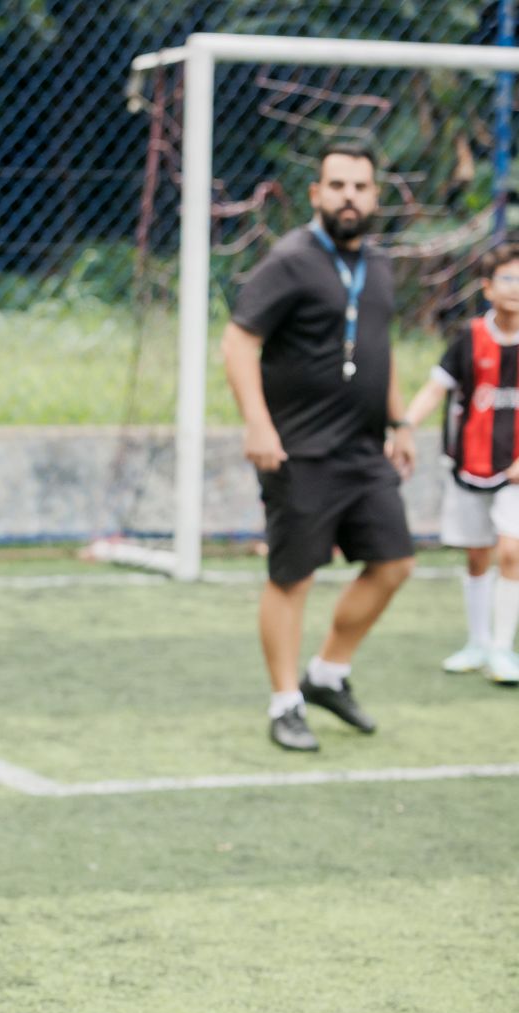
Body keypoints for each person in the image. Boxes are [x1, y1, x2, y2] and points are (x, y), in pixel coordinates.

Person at [222, 144, 416, 752]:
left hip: (364, 449)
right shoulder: (290, 261)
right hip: (297, 450)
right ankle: (286, 702)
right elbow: (237, 343)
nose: (349, 197)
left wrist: (401, 421)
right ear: (315, 194)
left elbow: (380, 348)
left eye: (360, 186)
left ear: (375, 195)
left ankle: (328, 674)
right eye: (337, 185)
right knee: (293, 577)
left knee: (393, 565)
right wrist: (258, 424)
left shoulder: (379, 265)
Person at [402, 242, 519, 685]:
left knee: (512, 550)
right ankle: (478, 642)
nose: (517, 288)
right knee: (477, 556)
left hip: (516, 471)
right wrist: (405, 425)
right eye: (508, 278)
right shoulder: (469, 338)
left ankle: (503, 650)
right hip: (471, 466)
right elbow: (436, 389)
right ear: (488, 288)